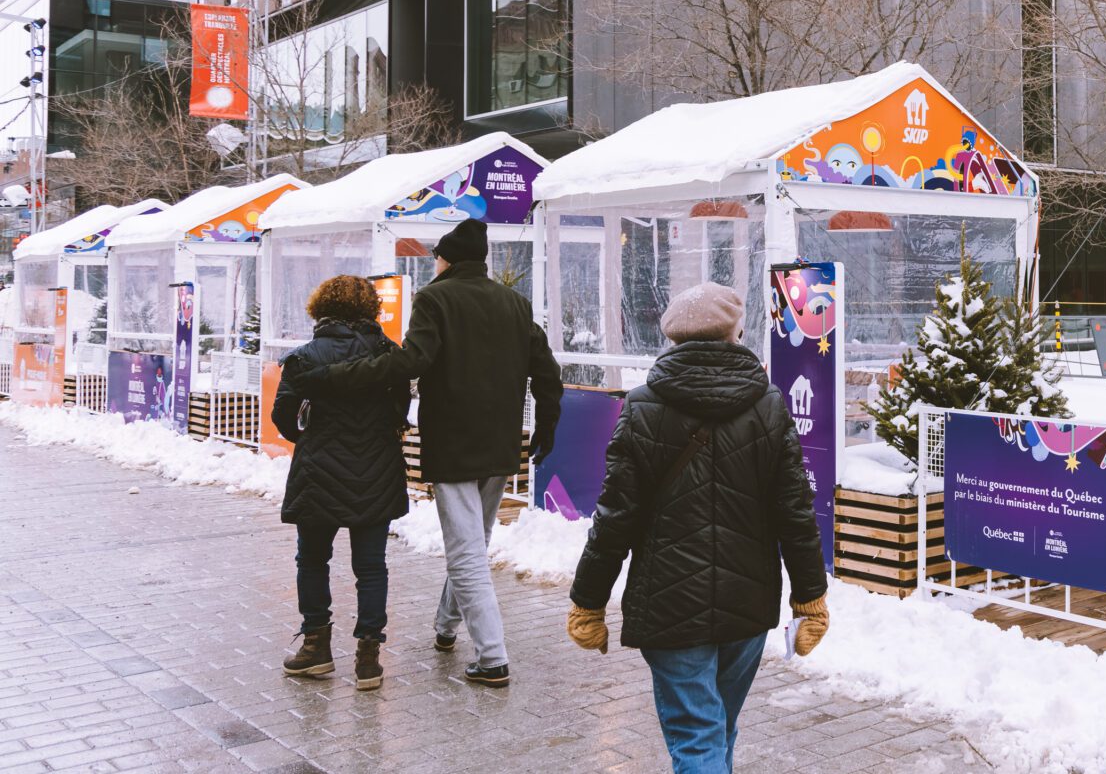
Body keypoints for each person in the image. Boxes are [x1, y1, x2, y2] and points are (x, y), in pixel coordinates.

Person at [566, 282, 830, 774]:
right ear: (736, 333)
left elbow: (615, 516)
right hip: (747, 602)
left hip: (668, 604)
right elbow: (794, 511)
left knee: (699, 737)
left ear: (672, 339)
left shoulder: (643, 406)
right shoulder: (769, 405)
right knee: (716, 729)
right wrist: (809, 599)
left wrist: (588, 601)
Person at [291, 218, 563, 688]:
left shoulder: (435, 298)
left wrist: (338, 378)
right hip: (500, 445)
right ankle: (445, 626)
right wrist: (547, 425)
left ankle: (493, 657)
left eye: (437, 255)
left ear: (447, 259)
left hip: (454, 443)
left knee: (465, 552)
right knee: (473, 542)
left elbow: (412, 361)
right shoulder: (515, 304)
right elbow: (547, 371)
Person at [274, 275, 413, 691]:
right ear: (370, 308)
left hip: (319, 471)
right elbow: (399, 410)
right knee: (371, 566)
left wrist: (310, 439)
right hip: (376, 468)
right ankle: (368, 657)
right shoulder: (391, 355)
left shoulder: (305, 357)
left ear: (321, 307)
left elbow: (283, 416)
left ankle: (316, 646)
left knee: (313, 559)